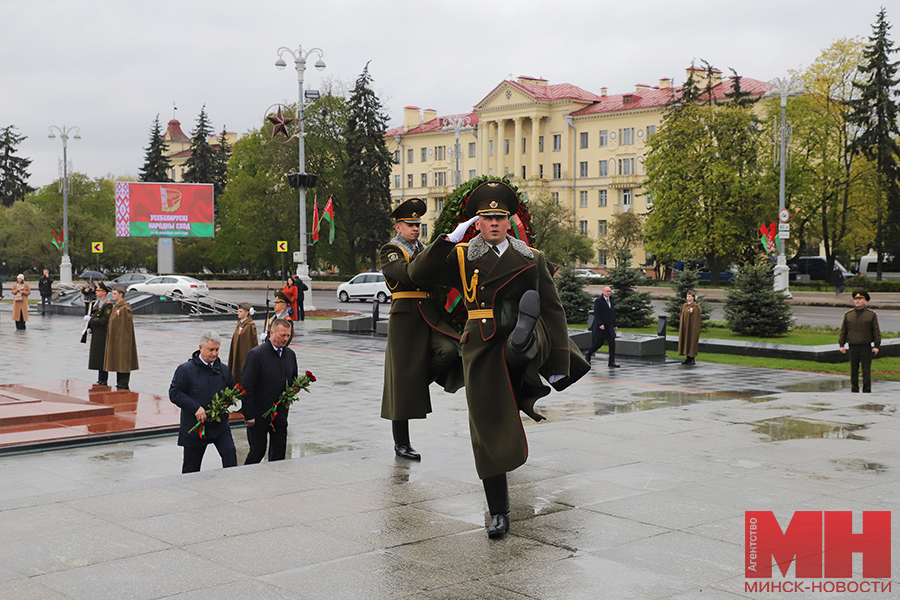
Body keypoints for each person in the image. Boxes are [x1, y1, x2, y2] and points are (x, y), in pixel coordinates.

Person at [408, 180, 589, 539]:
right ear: (476, 222)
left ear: (510, 222)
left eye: (500, 218)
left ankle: (524, 344)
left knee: (527, 332)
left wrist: (559, 362)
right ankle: (499, 512)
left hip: (522, 337)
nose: (493, 223)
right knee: (487, 427)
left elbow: (553, 311)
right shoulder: (461, 255)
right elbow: (417, 275)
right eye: (486, 217)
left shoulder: (530, 257)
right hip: (481, 345)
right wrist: (446, 239)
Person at [381, 198, 463, 461]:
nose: (416, 228)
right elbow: (410, 274)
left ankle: (417, 382)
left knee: (449, 350)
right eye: (410, 224)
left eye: (418, 224)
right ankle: (401, 443)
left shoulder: (425, 249)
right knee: (400, 382)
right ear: (398, 227)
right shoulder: (391, 250)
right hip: (405, 320)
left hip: (428, 315)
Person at [169, 330, 239, 473]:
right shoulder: (185, 369)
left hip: (220, 426)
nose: (214, 353)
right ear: (201, 348)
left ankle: (232, 487)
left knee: (230, 454)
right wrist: (196, 408)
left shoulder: (224, 370)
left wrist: (228, 401)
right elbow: (174, 393)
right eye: (211, 349)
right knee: (191, 470)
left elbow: (233, 391)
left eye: (217, 350)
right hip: (195, 428)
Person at [241, 318, 298, 464]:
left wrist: (295, 389)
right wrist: (249, 414)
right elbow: (247, 386)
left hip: (280, 413)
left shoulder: (290, 355)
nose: (286, 339)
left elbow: (292, 379)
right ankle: (245, 477)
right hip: (259, 414)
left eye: (288, 335)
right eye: (282, 335)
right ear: (271, 333)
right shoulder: (256, 355)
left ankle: (276, 482)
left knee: (279, 452)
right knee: (257, 451)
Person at [839, 288, 881, 393]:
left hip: (865, 347)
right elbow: (844, 330)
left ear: (865, 301)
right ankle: (854, 390)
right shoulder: (849, 314)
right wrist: (841, 344)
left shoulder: (871, 315)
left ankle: (866, 390)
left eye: (860, 299)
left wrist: (876, 345)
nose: (857, 301)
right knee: (854, 370)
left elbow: (876, 331)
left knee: (866, 370)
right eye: (856, 299)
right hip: (853, 346)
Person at [104, 284, 139, 390]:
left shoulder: (124, 309)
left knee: (123, 362)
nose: (113, 296)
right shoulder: (116, 307)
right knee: (118, 362)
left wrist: (123, 341)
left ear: (121, 295)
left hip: (122, 341)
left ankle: (123, 384)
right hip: (116, 340)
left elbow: (125, 328)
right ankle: (119, 383)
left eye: (115, 294)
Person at [87, 282, 114, 386]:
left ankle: (104, 379)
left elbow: (105, 319)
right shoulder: (97, 303)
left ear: (104, 292)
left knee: (103, 357)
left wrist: (92, 321)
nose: (96, 292)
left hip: (103, 334)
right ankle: (100, 379)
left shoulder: (107, 304)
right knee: (98, 357)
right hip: (96, 333)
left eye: (98, 291)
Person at [585, 285, 619, 368]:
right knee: (599, 344)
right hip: (602, 326)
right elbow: (597, 313)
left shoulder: (611, 300)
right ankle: (588, 354)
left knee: (612, 344)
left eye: (610, 291)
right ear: (603, 292)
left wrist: (615, 325)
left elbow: (612, 313)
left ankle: (611, 362)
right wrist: (600, 324)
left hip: (610, 326)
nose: (609, 293)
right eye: (607, 291)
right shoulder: (598, 301)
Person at [228, 302, 258, 385]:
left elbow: (252, 342)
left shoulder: (250, 326)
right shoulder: (239, 323)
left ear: (247, 312)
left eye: (241, 311)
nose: (238, 313)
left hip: (244, 354)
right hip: (237, 352)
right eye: (238, 311)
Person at [678, 290, 702, 365]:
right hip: (685, 327)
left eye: (689, 296)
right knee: (685, 340)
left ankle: (692, 358)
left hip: (692, 328)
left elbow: (696, 318)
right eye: (687, 296)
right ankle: (687, 358)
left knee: (691, 341)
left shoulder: (696, 307)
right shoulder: (684, 306)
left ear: (693, 297)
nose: (688, 298)